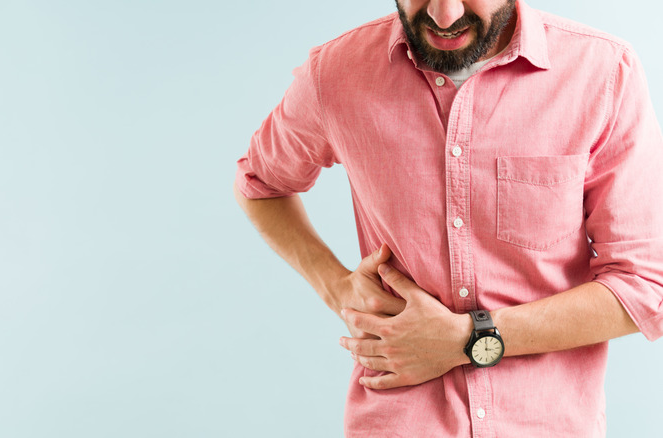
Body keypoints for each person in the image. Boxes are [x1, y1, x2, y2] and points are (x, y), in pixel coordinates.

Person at [233, 0, 663, 436]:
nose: (442, 15)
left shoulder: (603, 72)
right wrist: (336, 287)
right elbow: (258, 183)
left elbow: (645, 286)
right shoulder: (337, 71)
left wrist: (466, 338)